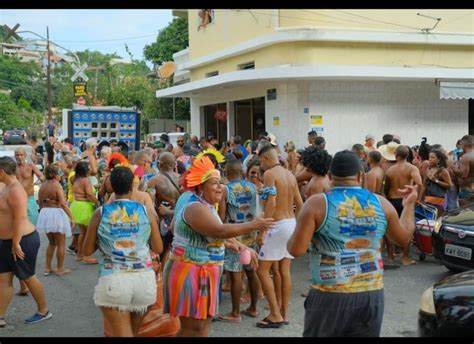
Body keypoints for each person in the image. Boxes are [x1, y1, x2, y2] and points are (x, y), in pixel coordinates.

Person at [287, 150, 417, 337]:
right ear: (360, 175)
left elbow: (295, 250)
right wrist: (409, 205)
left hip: (330, 293)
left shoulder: (317, 204)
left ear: (330, 176)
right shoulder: (381, 203)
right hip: (370, 294)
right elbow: (403, 238)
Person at [162, 156, 274, 337]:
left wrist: (240, 246)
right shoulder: (195, 207)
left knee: (203, 326)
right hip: (191, 271)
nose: (220, 187)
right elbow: (219, 231)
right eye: (214, 183)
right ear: (200, 186)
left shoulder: (207, 206)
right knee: (192, 329)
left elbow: (215, 234)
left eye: (220, 182)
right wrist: (254, 225)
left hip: (205, 271)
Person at [82, 167, 163, 337]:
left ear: (110, 186)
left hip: (114, 280)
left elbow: (86, 251)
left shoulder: (101, 213)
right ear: (132, 186)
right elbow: (158, 248)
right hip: (144, 281)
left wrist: (103, 239)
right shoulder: (145, 211)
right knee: (132, 333)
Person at [255, 143, 303, 328]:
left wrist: (263, 230)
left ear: (267, 158)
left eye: (261, 161)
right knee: (283, 270)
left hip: (277, 224)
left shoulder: (269, 174)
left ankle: (275, 314)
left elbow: (272, 204)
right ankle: (284, 313)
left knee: (262, 270)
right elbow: (300, 202)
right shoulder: (290, 174)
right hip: (291, 223)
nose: (262, 166)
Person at [0, 157, 53, 327]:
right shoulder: (6, 187)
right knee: (3, 280)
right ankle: (0, 316)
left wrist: (16, 243)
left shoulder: (15, 190)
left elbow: (20, 218)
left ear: (1, 172)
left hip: (22, 240)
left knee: (28, 277)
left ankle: (43, 310)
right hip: (7, 241)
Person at [216, 159, 261, 322]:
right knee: (251, 271)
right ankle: (254, 308)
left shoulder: (226, 190)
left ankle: (235, 313)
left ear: (227, 173)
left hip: (234, 235)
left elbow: (221, 216)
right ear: (241, 172)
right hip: (250, 232)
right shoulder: (252, 186)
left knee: (236, 274)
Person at [384, 146, 422, 266]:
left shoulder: (389, 170)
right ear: (408, 156)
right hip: (406, 199)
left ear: (396, 156)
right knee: (408, 229)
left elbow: (386, 188)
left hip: (392, 199)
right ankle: (405, 257)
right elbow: (419, 183)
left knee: (389, 228)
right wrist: (417, 197)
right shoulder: (412, 168)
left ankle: (390, 257)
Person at [36, 164, 74, 276]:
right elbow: (63, 203)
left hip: (45, 213)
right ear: (55, 175)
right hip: (56, 213)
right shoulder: (57, 185)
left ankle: (47, 268)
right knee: (61, 243)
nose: (61, 175)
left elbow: (40, 202)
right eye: (59, 173)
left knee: (52, 243)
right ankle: (60, 268)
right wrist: (71, 217)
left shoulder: (42, 186)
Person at [146, 152, 181, 263]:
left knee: (161, 253)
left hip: (163, 222)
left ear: (159, 164)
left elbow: (149, 205)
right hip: (180, 220)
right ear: (174, 164)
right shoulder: (182, 179)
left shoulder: (154, 181)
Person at [70, 161, 100, 264]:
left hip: (76, 205)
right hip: (84, 207)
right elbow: (89, 194)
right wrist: (97, 202)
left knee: (82, 232)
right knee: (88, 233)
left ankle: (80, 254)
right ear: (85, 170)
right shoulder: (86, 180)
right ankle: (86, 256)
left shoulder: (75, 179)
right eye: (89, 168)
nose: (90, 169)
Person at [15, 148, 44, 227]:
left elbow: (41, 175)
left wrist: (38, 181)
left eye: (21, 155)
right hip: (16, 199)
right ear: (15, 157)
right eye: (17, 155)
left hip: (29, 198)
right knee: (19, 224)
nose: (19, 157)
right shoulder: (13, 168)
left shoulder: (30, 166)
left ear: (25, 155)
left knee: (33, 223)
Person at [421, 149, 452, 215]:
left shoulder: (443, 171)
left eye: (432, 157)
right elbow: (423, 185)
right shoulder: (428, 168)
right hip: (428, 199)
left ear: (438, 159)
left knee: (438, 220)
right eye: (429, 157)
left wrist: (436, 180)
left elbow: (449, 185)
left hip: (439, 200)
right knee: (430, 219)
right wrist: (420, 199)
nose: (430, 159)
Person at [452, 135, 474, 207]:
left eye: (461, 145)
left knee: (466, 214)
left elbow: (463, 175)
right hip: (471, 188)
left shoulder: (466, 156)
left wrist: (453, 167)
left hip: (467, 191)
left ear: (465, 144)